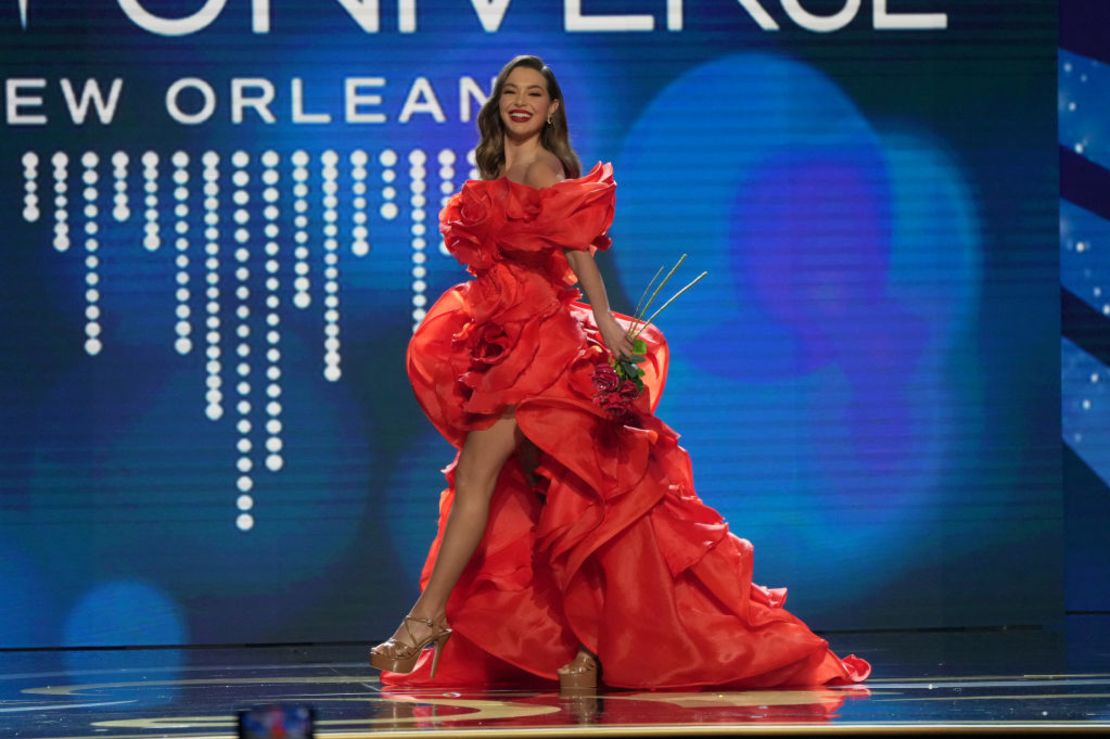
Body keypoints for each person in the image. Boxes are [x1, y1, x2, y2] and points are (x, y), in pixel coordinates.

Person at [369, 54, 871, 691]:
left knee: (488, 480)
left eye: (535, 94)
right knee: (557, 506)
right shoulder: (496, 169)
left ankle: (426, 620)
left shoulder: (548, 168)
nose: (521, 102)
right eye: (511, 93)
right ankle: (585, 646)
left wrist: (608, 335)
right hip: (502, 342)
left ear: (552, 109)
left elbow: (580, 257)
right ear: (497, 105)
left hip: (545, 350)